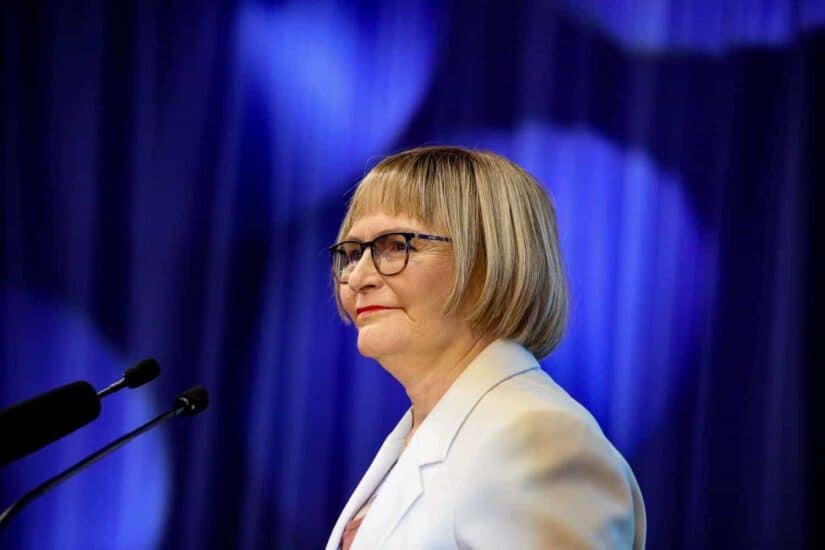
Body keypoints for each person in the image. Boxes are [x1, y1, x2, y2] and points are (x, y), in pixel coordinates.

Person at [324, 146, 646, 549]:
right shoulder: (422, 435)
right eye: (353, 253)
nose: (358, 278)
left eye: (396, 246)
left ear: (490, 260)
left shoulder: (541, 440)